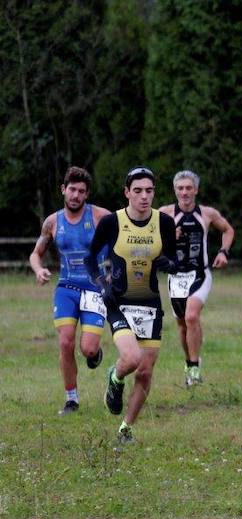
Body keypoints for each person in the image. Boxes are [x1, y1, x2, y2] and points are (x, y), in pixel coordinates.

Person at [85, 166, 177, 443]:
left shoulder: (164, 223)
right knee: (133, 359)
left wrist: (168, 263)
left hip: (150, 303)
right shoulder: (112, 223)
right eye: (137, 191)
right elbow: (90, 259)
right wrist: (103, 286)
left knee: (146, 371)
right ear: (127, 193)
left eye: (149, 191)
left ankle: (126, 428)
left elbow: (175, 261)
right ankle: (115, 377)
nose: (144, 196)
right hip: (119, 300)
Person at [29, 167, 111, 415]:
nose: (76, 195)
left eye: (81, 191)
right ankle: (71, 400)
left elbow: (124, 238)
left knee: (87, 348)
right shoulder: (52, 222)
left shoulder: (100, 217)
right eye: (72, 189)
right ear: (63, 190)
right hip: (66, 288)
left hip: (96, 289)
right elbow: (35, 254)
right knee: (65, 342)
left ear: (86, 194)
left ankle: (94, 352)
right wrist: (38, 269)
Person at [159, 170, 235, 387]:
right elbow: (147, 236)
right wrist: (167, 237)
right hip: (175, 277)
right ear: (175, 190)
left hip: (199, 274)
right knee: (183, 325)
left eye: (188, 188)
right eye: (180, 188)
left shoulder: (207, 213)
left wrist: (223, 251)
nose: (184, 192)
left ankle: (193, 368)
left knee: (192, 317)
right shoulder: (164, 213)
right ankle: (190, 362)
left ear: (196, 190)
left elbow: (228, 230)